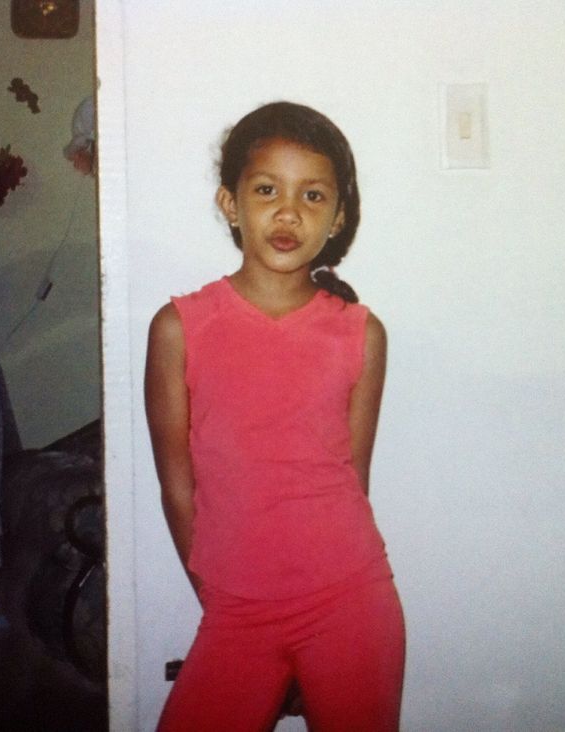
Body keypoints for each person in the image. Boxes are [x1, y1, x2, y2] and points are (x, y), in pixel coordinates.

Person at [145, 101, 405, 732]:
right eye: (267, 190)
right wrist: (218, 593)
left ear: (336, 218)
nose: (288, 213)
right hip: (236, 610)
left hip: (350, 601)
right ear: (230, 203)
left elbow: (353, 479)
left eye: (312, 196)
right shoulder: (180, 328)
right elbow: (177, 487)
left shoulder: (361, 334)